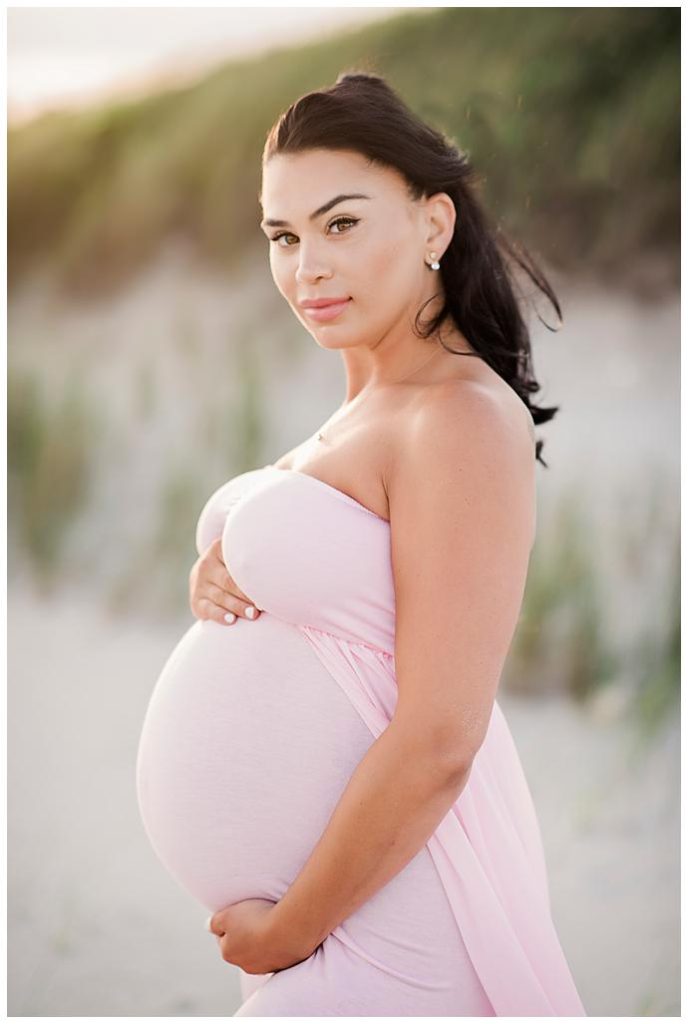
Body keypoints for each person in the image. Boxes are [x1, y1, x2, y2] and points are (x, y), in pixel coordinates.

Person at [137, 70, 586, 1015]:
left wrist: (291, 927)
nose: (308, 268)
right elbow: (351, 606)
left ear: (433, 225)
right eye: (283, 236)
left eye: (341, 224)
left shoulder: (458, 414)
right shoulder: (373, 400)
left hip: (390, 920)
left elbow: (439, 739)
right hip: (352, 917)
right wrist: (225, 578)